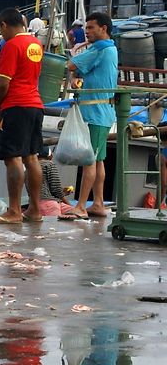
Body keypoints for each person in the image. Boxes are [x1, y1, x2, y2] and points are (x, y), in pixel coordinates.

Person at [0, 7, 44, 224]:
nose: (1, 34)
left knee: (12, 158)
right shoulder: (35, 44)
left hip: (16, 105)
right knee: (32, 156)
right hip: (35, 104)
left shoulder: (11, 46)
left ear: (4, 25)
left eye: (0, 29)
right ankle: (35, 209)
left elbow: (3, 82)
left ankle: (13, 211)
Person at [64, 11, 117, 220]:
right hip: (103, 112)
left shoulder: (100, 49)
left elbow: (70, 65)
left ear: (103, 28)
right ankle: (98, 203)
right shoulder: (110, 48)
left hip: (95, 112)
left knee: (89, 160)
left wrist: (76, 50)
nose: (87, 32)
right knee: (98, 160)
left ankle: (81, 206)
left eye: (91, 28)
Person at [38, 149, 75, 217]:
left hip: (38, 204)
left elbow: (44, 188)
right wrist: (68, 203)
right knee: (56, 223)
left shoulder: (30, 167)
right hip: (49, 204)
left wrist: (63, 191)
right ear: (50, 156)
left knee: (74, 212)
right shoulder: (49, 164)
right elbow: (56, 189)